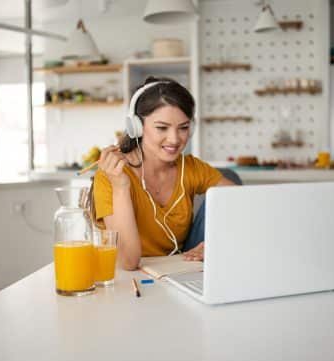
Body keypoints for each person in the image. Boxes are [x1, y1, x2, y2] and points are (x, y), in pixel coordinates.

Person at [93, 77, 236, 270]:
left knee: (229, 194)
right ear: (136, 127)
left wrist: (215, 244)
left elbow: (246, 207)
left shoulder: (191, 167)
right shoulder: (110, 177)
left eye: (183, 128)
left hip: (181, 266)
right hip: (133, 276)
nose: (175, 139)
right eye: (162, 128)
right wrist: (120, 187)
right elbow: (128, 262)